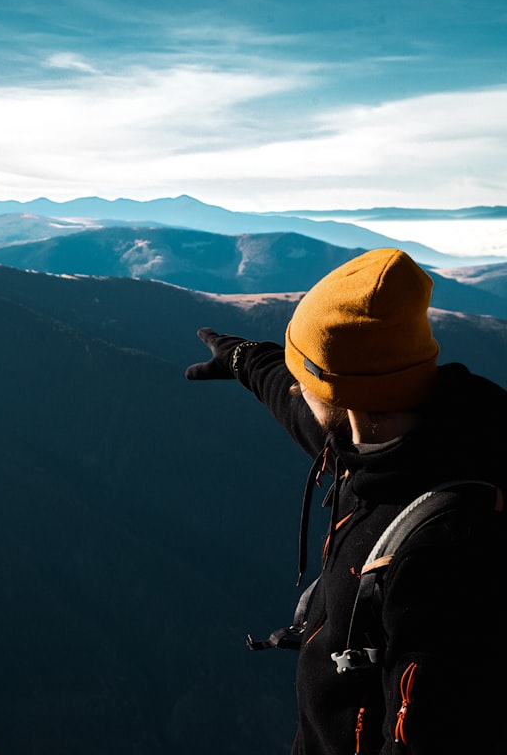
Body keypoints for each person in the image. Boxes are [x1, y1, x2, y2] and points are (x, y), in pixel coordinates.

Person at [185, 248, 507, 754]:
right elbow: (304, 405)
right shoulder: (416, 434)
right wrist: (246, 358)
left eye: (302, 375)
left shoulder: (442, 554)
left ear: (338, 392)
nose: (293, 385)